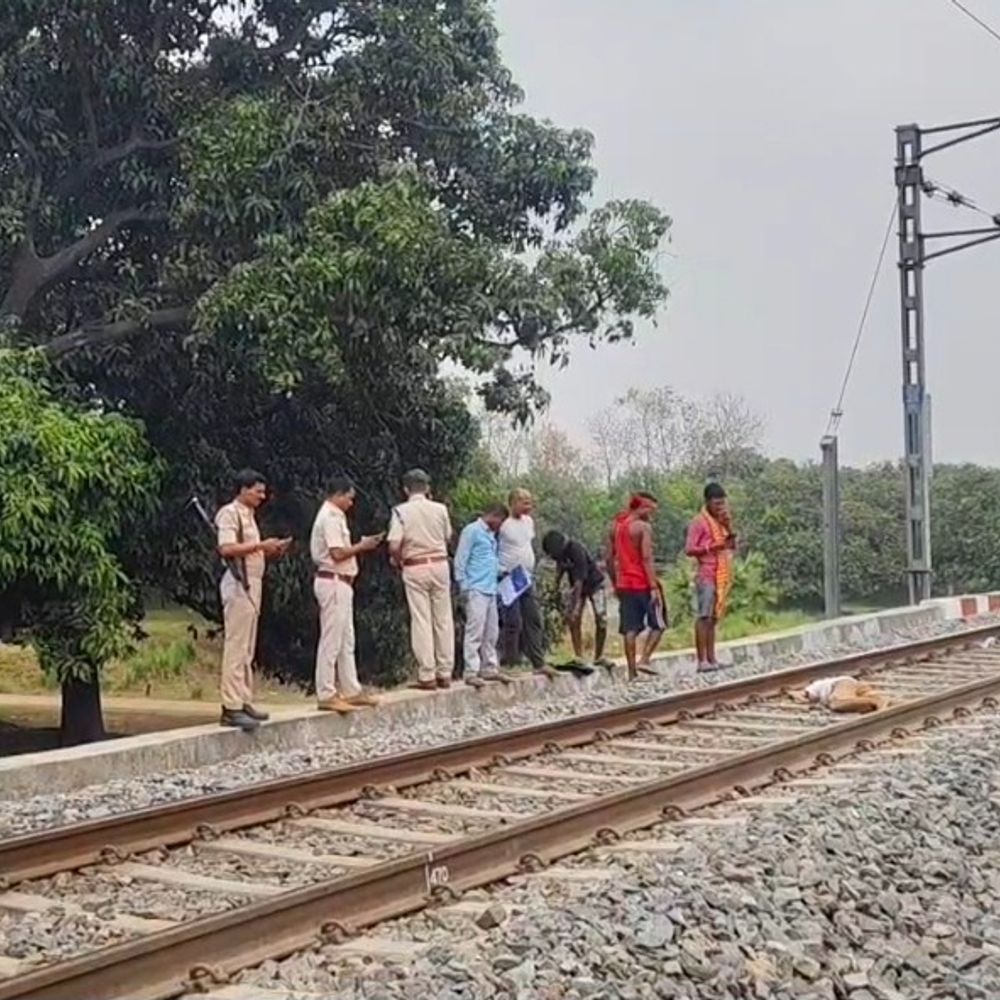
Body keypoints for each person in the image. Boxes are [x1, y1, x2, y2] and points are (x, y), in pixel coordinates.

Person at [215, 469, 291, 731]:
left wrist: (269, 549)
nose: (262, 496)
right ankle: (231, 705)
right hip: (238, 584)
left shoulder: (249, 516)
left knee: (247, 647)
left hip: (252, 583)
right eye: (257, 490)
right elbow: (226, 548)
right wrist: (260, 546)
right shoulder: (230, 513)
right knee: (236, 645)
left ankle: (243, 698)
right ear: (243, 489)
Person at [310, 476, 383, 712]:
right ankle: (326, 692)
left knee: (345, 639)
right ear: (338, 495)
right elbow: (338, 553)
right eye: (349, 498)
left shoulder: (336, 516)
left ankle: (351, 688)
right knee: (331, 639)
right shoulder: (330, 517)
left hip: (342, 583)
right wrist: (362, 546)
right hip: (332, 580)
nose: (351, 503)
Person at [387, 469, 455, 692]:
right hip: (439, 563)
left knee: (421, 619)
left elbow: (394, 544)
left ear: (405, 489)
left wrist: (397, 561)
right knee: (443, 619)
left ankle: (427, 673)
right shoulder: (441, 509)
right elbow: (447, 536)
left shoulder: (400, 512)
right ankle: (445, 671)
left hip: (415, 565)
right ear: (427, 488)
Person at [607, 492, 665, 681]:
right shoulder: (643, 528)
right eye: (651, 510)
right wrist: (654, 586)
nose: (652, 515)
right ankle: (645, 659)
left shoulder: (615, 527)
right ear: (642, 507)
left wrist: (615, 582)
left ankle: (632, 673)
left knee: (629, 628)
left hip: (624, 583)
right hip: (642, 582)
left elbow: (609, 558)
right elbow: (646, 558)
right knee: (659, 623)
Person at [498, 488, 552, 678]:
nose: (528, 506)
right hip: (508, 576)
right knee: (512, 621)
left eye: (530, 502)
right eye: (524, 502)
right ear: (513, 503)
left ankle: (538, 661)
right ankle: (509, 661)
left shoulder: (529, 522)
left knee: (533, 618)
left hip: (526, 576)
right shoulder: (504, 524)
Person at [454, 503, 508, 689]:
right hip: (476, 588)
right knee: (474, 631)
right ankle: (471, 670)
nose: (500, 526)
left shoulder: (491, 536)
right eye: (500, 521)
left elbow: (487, 560)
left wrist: (502, 571)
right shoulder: (472, 531)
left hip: (490, 587)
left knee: (491, 631)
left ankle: (489, 667)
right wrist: (464, 585)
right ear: (494, 516)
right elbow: (461, 559)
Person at [542, 530, 611, 670]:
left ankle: (599, 656)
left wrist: (573, 607)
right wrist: (555, 588)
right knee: (574, 621)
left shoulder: (576, 550)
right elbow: (560, 569)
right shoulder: (560, 554)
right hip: (577, 586)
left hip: (594, 584)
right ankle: (578, 656)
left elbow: (579, 582)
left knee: (601, 618)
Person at [685, 483, 736, 672]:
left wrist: (728, 526)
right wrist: (710, 548)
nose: (720, 507)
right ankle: (701, 660)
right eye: (716, 504)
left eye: (722, 503)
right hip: (706, 573)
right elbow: (689, 549)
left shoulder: (721, 522)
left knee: (713, 619)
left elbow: (731, 545)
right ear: (707, 502)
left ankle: (712, 658)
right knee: (703, 616)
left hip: (720, 574)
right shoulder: (699, 522)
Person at [790, 675, 890, 713]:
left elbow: (799, 696)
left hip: (842, 683)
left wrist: (798, 698)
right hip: (852, 687)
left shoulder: (811, 689)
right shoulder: (817, 691)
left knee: (837, 703)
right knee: (861, 706)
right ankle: (878, 702)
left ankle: (877, 701)